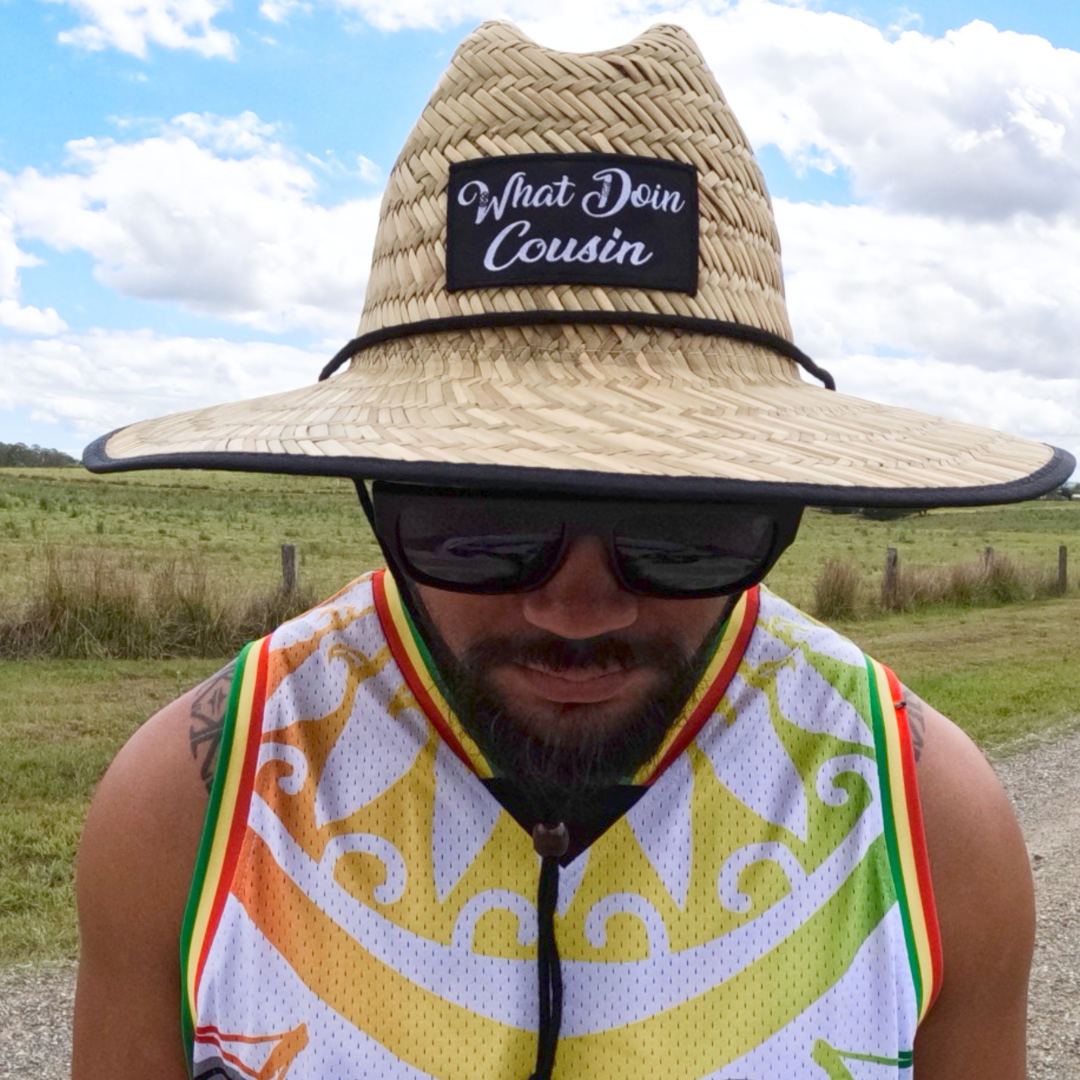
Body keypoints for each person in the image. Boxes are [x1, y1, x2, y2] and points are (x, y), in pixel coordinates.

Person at [74, 21, 1071, 1080]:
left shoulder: (927, 822)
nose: (577, 607)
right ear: (377, 494)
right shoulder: (191, 806)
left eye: (682, 527)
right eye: (484, 518)